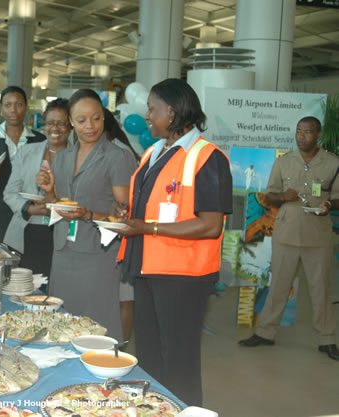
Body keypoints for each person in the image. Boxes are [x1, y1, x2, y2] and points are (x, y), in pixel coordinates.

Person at [115, 78, 233, 406]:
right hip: (147, 268)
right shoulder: (154, 151)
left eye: (153, 109)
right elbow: (150, 204)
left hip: (182, 277)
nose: (148, 116)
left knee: (179, 360)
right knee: (150, 356)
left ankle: (185, 411)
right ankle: (155, 410)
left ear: (174, 111)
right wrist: (128, 212)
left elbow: (210, 225)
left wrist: (146, 227)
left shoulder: (207, 157)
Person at [36, 89, 135, 341]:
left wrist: (88, 214)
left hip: (97, 254)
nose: (90, 126)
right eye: (81, 120)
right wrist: (49, 193)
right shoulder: (64, 156)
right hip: (63, 250)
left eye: (96, 118)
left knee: (96, 326)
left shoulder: (117, 157)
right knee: (62, 324)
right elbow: (57, 206)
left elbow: (124, 216)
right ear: (70, 121)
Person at [239, 116, 339, 361]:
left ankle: (327, 340)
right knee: (278, 287)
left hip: (318, 236)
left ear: (318, 135)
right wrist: (284, 196)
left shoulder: (333, 163)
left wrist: (328, 204)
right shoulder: (284, 162)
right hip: (287, 233)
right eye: (299, 131)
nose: (302, 136)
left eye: (307, 132)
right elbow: (269, 197)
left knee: (321, 290)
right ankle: (265, 333)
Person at [3, 98, 71, 278]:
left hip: (61, 234)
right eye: (50, 123)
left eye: (61, 123)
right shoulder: (27, 152)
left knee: (54, 292)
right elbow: (9, 193)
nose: (55, 129)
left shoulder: (79, 157)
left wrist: (54, 203)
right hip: (26, 230)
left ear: (70, 126)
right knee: (22, 290)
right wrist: (29, 208)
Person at [0, 86, 46, 241]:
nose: (13, 110)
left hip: (32, 212)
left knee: (29, 260)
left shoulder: (39, 140)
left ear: (26, 107)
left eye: (18, 104)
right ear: (1, 109)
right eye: (8, 105)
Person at [102, 108, 140, 343]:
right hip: (109, 229)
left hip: (121, 229)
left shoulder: (120, 152)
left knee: (124, 295)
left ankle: (123, 345)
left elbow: (126, 198)